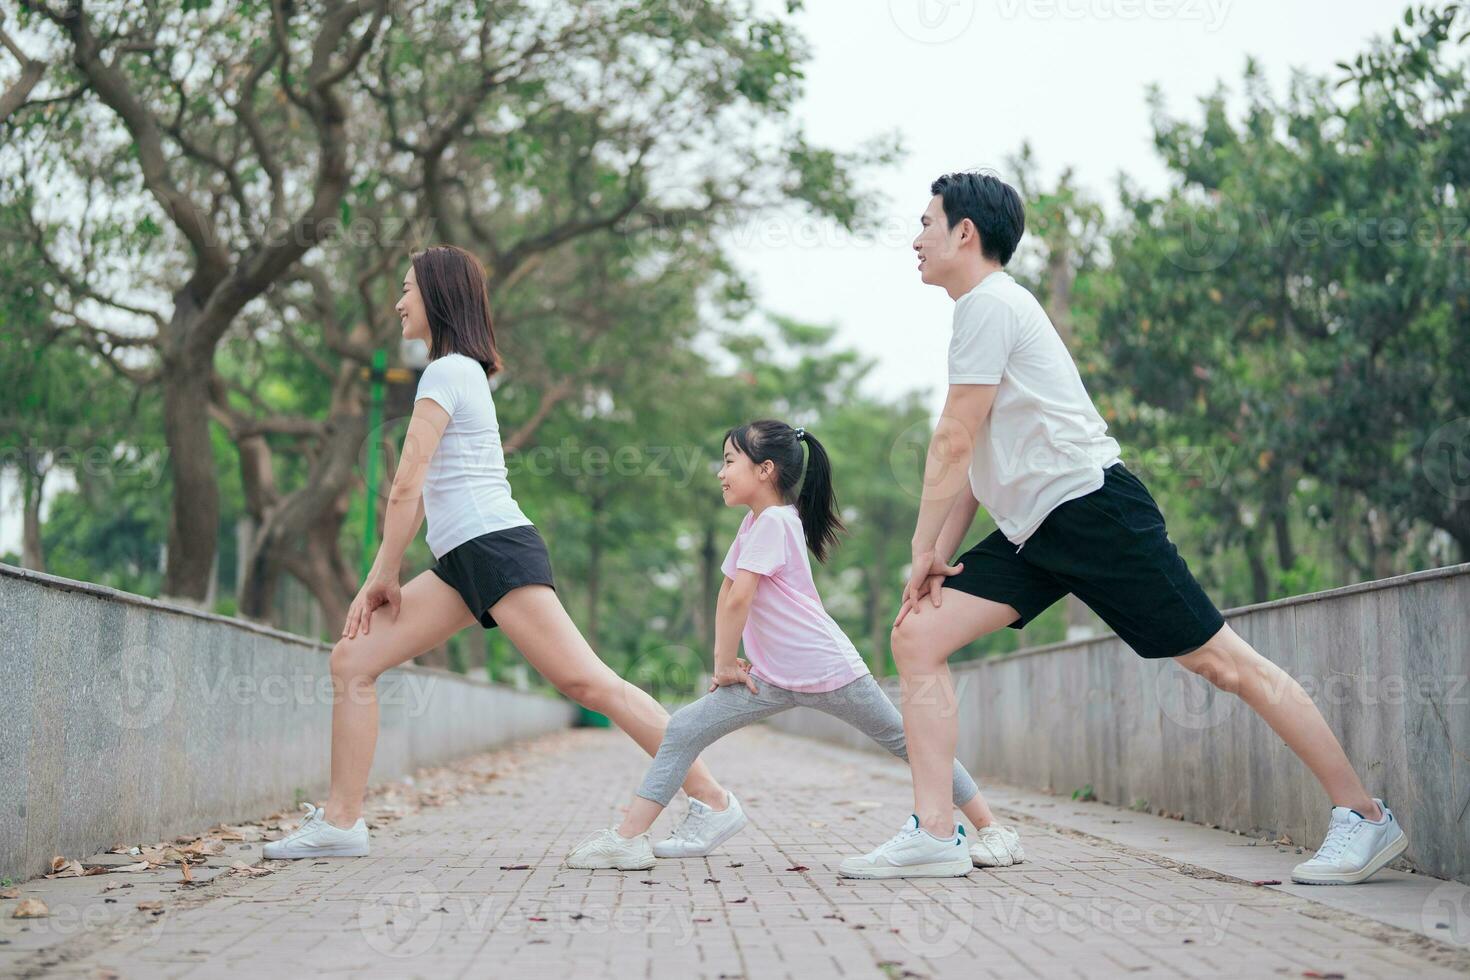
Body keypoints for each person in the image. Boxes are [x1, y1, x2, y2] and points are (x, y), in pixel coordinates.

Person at [838, 171, 1407, 884]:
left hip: (1093, 512)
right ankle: (935, 831)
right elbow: (976, 458)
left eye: (926, 222)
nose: (915, 238)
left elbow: (951, 441)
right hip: (1034, 531)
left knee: (1223, 664)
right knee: (917, 633)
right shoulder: (979, 313)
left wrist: (922, 548)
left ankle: (1365, 818)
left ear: (965, 233)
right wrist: (936, 559)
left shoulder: (990, 306)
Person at [263, 245, 732, 859]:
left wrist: (382, 572)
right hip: (464, 558)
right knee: (352, 662)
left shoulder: (447, 371)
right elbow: (427, 489)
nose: (398, 301)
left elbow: (408, 481)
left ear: (436, 297)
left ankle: (714, 801)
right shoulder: (459, 373)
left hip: (494, 549)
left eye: (407, 289)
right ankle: (341, 823)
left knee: (589, 682)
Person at [564, 420, 1024, 875]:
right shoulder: (754, 523)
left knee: (912, 743)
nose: (720, 472)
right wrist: (726, 663)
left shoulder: (776, 523)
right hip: (769, 677)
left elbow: (740, 597)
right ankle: (628, 841)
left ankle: (993, 829)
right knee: (684, 728)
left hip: (830, 672)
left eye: (728, 461)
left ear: (765, 470)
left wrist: (725, 662)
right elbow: (728, 593)